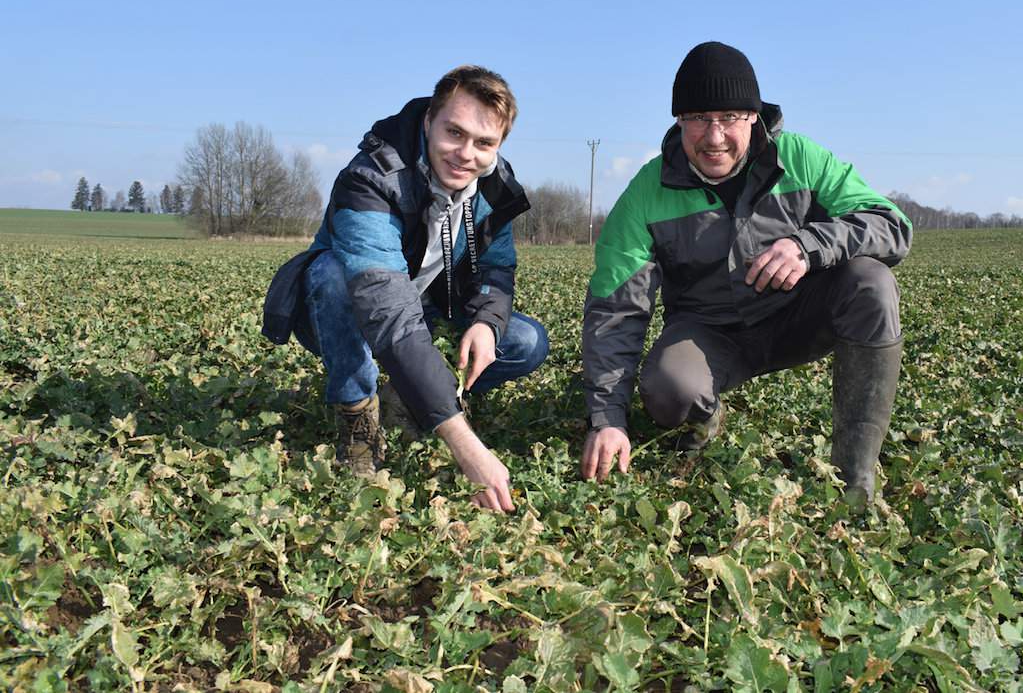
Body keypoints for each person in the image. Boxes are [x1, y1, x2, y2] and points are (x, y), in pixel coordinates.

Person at [580, 42, 911, 505]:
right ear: (678, 120)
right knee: (669, 389)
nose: (713, 136)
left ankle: (853, 479)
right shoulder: (646, 193)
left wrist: (808, 244)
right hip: (711, 333)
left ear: (754, 116)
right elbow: (615, 309)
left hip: (798, 316)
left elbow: (890, 224)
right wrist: (607, 419)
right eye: (697, 117)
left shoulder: (800, 158)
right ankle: (705, 416)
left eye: (730, 117)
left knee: (870, 283)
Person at [263, 65, 548, 512]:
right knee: (333, 277)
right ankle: (358, 416)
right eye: (455, 132)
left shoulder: (494, 184)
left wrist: (488, 324)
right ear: (429, 120)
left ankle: (410, 393)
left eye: (484, 143)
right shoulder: (372, 177)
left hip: (430, 304)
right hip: (351, 311)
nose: (466, 154)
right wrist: (464, 446)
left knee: (524, 341)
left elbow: (496, 267)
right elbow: (385, 308)